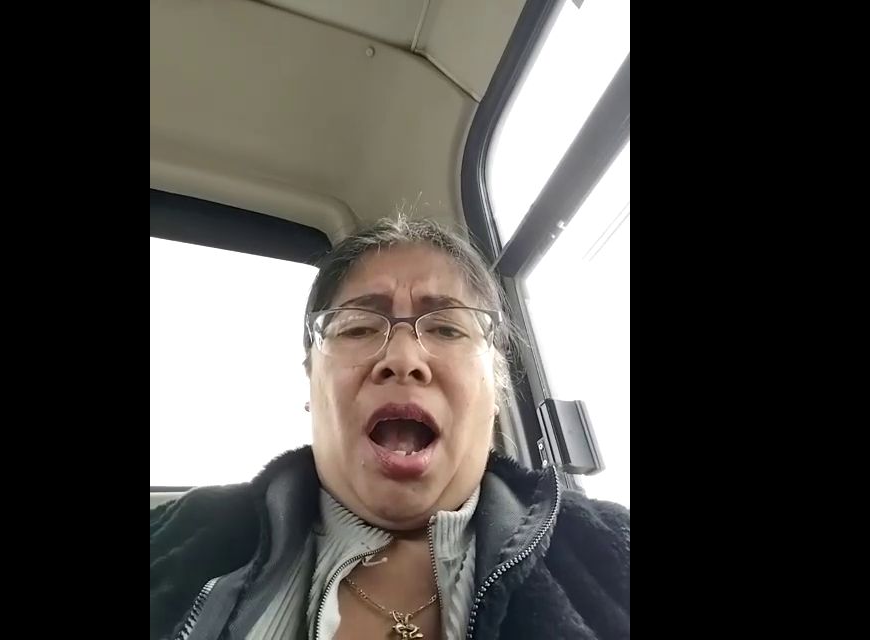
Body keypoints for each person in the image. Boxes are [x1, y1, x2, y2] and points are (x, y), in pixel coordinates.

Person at [150, 216, 630, 640]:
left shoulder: (611, 549)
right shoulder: (177, 537)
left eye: (447, 328)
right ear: (311, 380)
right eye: (358, 327)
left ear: (497, 388)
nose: (402, 358)